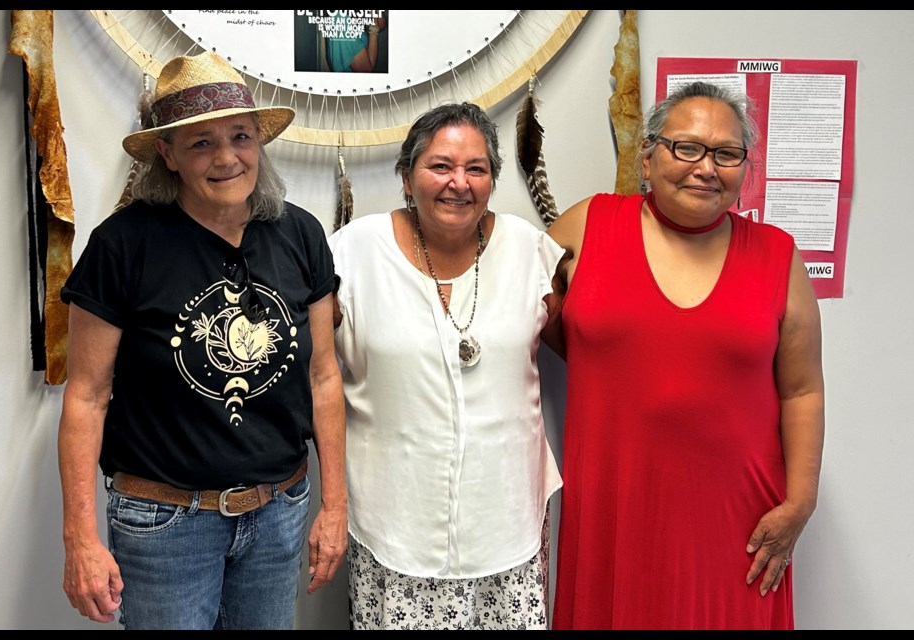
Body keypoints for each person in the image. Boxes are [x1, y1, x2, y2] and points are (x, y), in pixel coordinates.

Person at [57, 51, 347, 630]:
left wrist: (334, 505)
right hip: (163, 523)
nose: (225, 158)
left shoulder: (301, 234)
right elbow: (86, 395)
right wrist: (80, 539)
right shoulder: (124, 244)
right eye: (200, 143)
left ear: (259, 142)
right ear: (166, 155)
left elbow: (323, 377)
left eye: (240, 136)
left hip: (277, 513)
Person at [546, 81, 825, 629]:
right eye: (688, 147)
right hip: (615, 505)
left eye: (726, 153)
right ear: (647, 158)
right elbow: (520, 317)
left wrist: (801, 503)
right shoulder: (588, 225)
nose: (706, 167)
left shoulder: (776, 256)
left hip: (737, 522)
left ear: (744, 168)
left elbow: (802, 390)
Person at [328, 102, 564, 630]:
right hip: (394, 524)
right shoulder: (351, 252)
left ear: (492, 180)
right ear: (407, 178)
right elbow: (316, 372)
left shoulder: (532, 252)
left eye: (476, 169)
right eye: (440, 166)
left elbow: (586, 347)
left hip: (506, 525)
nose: (458, 183)